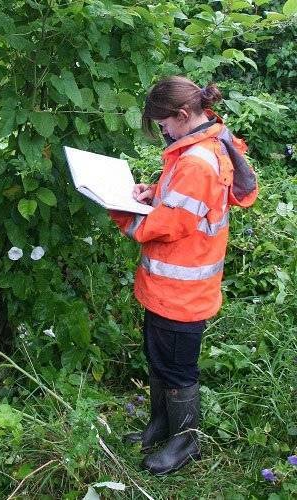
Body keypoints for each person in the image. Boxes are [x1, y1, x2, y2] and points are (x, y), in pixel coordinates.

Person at [109, 76, 258, 475]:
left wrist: (122, 212)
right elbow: (186, 201)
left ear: (182, 115)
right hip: (169, 289)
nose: (163, 133)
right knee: (159, 361)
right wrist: (153, 191)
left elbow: (168, 224)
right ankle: (161, 426)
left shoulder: (196, 160)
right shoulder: (200, 147)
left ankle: (185, 441)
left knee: (176, 369)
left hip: (182, 294)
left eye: (163, 126)